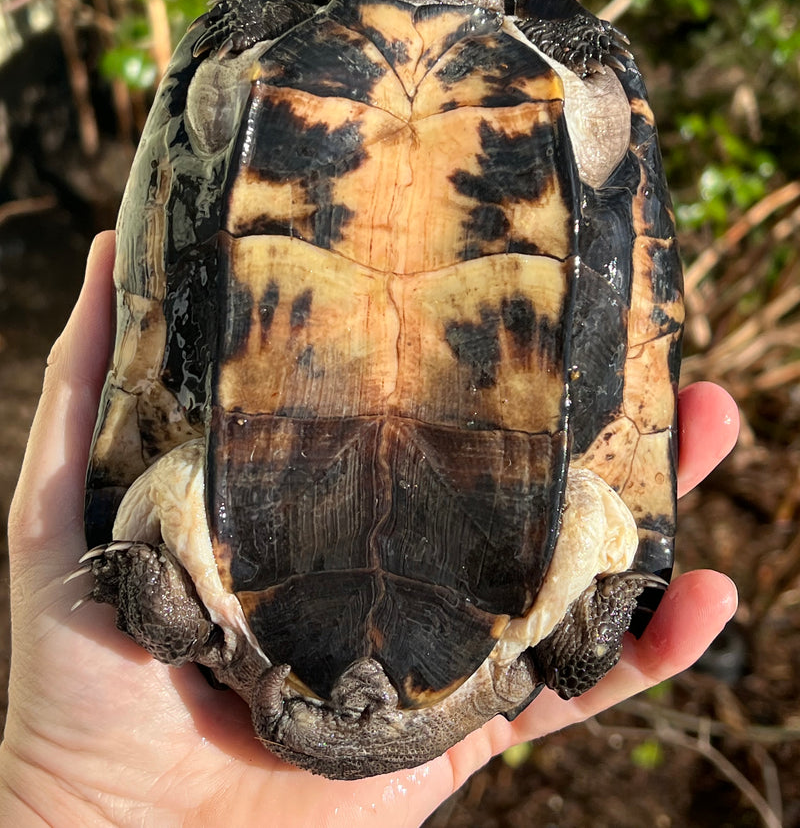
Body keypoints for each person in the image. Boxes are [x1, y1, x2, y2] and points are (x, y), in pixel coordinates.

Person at [0, 232, 739, 827]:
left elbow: (155, 533)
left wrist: (78, 802)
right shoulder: (534, 624)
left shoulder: (214, 622)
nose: (365, 696)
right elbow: (599, 537)